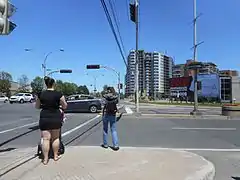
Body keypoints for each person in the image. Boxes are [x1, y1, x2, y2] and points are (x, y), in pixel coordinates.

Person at [35, 76, 67, 165]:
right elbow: (64, 106)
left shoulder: (41, 94)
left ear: (46, 84)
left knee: (45, 139)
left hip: (44, 117)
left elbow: (37, 106)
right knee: (55, 138)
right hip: (55, 117)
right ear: (53, 84)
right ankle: (55, 156)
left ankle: (45, 159)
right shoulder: (59, 94)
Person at [101, 87, 119, 151]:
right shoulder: (115, 97)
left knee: (105, 129)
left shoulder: (104, 97)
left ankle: (105, 144)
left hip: (106, 114)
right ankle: (115, 145)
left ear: (107, 91)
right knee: (113, 130)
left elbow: (102, 103)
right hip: (112, 114)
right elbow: (117, 103)